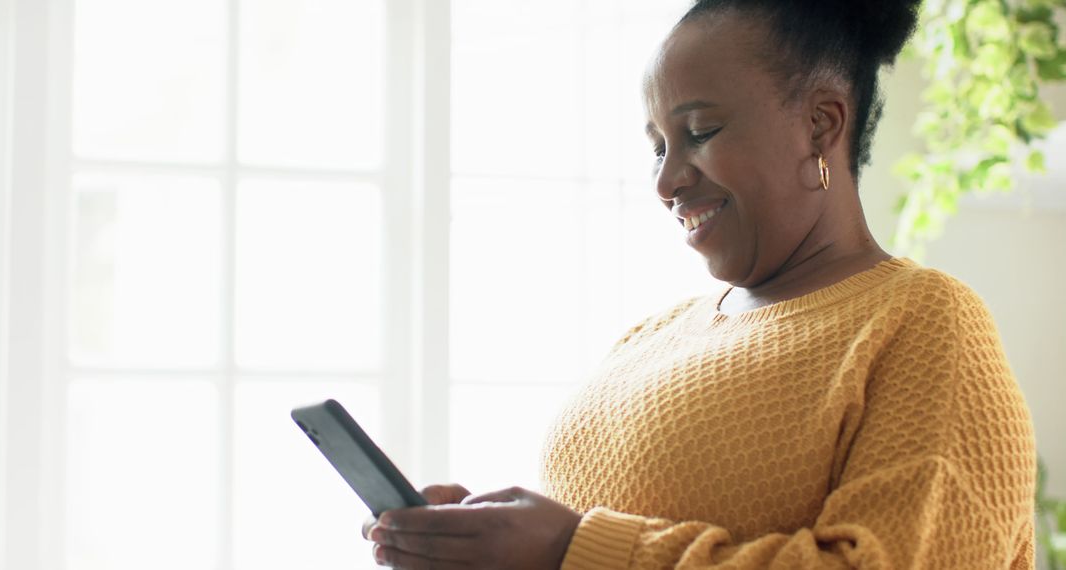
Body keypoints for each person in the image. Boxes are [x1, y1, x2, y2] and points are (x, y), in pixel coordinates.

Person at [362, 0, 1038, 568]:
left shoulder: (921, 322)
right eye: (658, 145)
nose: (665, 180)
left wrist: (573, 548)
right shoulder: (648, 340)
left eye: (700, 131)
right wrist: (490, 546)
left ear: (821, 125)